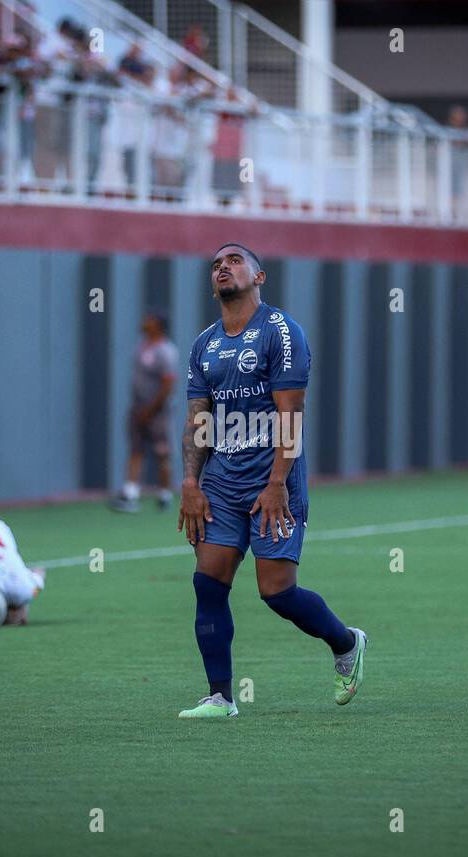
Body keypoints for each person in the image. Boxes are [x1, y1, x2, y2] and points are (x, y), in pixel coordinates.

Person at [176, 243, 367, 718]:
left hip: (271, 477)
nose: (223, 267)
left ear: (259, 278)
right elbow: (198, 420)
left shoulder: (281, 332)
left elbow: (291, 415)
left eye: (235, 260)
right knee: (208, 582)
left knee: (276, 592)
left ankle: (346, 642)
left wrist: (278, 482)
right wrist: (190, 484)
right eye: (216, 264)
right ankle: (220, 696)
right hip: (221, 478)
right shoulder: (205, 344)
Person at [111, 311, 179, 513]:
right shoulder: (142, 347)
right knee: (136, 449)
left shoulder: (166, 350)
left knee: (161, 452)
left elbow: (168, 383)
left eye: (149, 319)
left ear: (158, 324)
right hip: (138, 407)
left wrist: (152, 409)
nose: (144, 322)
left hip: (158, 411)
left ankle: (165, 495)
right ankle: (130, 494)